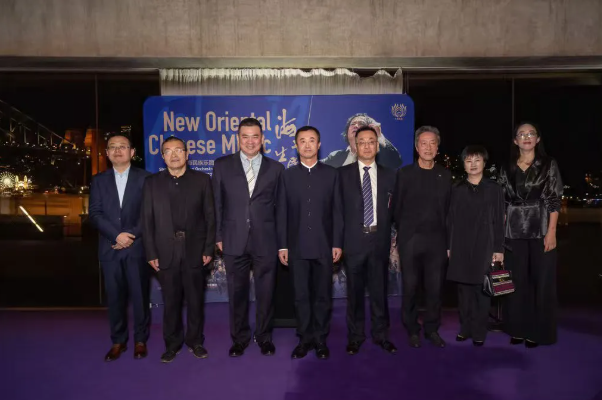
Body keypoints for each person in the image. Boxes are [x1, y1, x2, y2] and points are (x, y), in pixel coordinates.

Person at [212, 117, 284, 357]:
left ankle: (264, 337)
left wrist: (282, 242)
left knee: (266, 292)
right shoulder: (222, 165)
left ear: (262, 139)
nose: (250, 141)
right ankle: (240, 338)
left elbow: (281, 209)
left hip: (266, 239)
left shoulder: (276, 168)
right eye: (245, 136)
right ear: (238, 138)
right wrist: (218, 235)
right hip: (233, 238)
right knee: (237, 292)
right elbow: (217, 204)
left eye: (255, 136)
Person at [141, 136, 215, 363]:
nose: (174, 155)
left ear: (186, 153)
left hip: (195, 250)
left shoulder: (202, 180)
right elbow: (147, 221)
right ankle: (172, 344)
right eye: (168, 151)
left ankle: (195, 341)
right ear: (162, 156)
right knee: (171, 302)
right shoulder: (152, 183)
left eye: (178, 150)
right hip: (165, 251)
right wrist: (151, 252)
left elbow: (210, 217)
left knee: (195, 301)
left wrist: (208, 248)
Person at [277, 126, 344, 360]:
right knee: (301, 296)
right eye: (302, 141)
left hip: (324, 246)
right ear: (296, 146)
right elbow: (282, 212)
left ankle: (321, 339)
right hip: (296, 247)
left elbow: (338, 212)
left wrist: (337, 243)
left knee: (323, 296)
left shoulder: (332, 174)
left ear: (319, 144)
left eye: (312, 140)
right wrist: (283, 245)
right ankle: (305, 339)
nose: (307, 145)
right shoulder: (287, 176)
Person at [498, 122, 563, 348]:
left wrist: (551, 232)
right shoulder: (506, 167)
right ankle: (517, 328)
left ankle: (538, 331)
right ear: (515, 140)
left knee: (541, 282)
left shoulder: (548, 164)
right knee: (515, 281)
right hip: (513, 231)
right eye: (521, 134)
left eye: (531, 133)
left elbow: (554, 200)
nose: (526, 137)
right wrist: (499, 239)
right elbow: (502, 203)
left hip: (541, 228)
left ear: (538, 139)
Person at [89, 133, 151, 362]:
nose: (117, 150)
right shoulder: (98, 180)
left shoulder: (146, 178)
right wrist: (116, 235)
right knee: (115, 298)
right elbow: (94, 214)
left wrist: (130, 235)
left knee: (140, 297)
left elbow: (149, 213)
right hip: (110, 247)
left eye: (122, 146)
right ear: (106, 153)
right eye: (112, 147)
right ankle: (118, 341)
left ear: (132, 152)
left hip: (137, 247)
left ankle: (140, 340)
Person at [338, 126, 398, 355]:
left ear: (377, 145)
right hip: (353, 242)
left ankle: (381, 335)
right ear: (355, 146)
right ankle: (355, 337)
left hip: (379, 240)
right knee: (354, 294)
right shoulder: (341, 175)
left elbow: (397, 210)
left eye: (371, 141)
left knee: (379, 292)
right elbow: (336, 212)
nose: (366, 146)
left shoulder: (390, 175)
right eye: (361, 141)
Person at [393, 125, 451, 348]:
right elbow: (396, 208)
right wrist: (401, 237)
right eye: (423, 143)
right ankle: (412, 329)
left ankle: (431, 329)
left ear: (437, 148)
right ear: (417, 147)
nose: (428, 147)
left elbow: (449, 211)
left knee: (435, 289)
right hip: (410, 240)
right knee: (410, 288)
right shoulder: (405, 174)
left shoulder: (445, 176)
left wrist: (449, 243)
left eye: (432, 143)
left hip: (437, 242)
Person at [446, 145, 505, 347]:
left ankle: (479, 331)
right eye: (468, 160)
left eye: (477, 160)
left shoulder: (494, 189)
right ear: (463, 164)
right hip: (460, 245)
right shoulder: (456, 189)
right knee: (463, 292)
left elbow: (499, 220)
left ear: (484, 163)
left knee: (483, 290)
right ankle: (465, 329)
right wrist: (449, 246)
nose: (473, 164)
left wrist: (499, 249)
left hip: (485, 244)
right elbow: (450, 219)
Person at [322, 113, 402, 169]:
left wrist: (379, 135)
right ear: (347, 131)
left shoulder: (377, 155)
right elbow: (318, 167)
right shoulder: (336, 156)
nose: (356, 126)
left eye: (361, 123)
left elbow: (395, 162)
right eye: (353, 124)